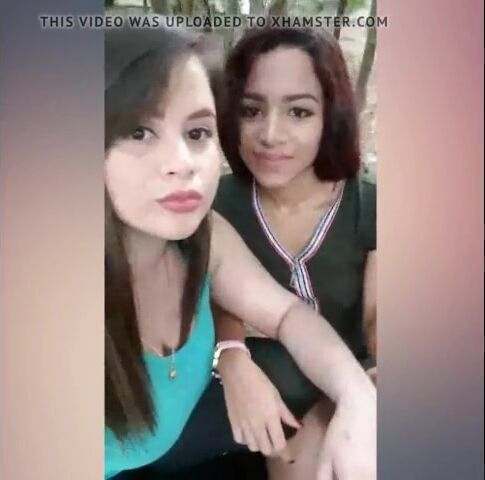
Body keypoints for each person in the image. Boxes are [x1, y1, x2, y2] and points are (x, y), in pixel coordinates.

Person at [104, 26, 376, 480]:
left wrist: (358, 396)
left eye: (197, 132)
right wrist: (231, 354)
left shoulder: (205, 236)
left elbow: (288, 314)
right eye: (139, 132)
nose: (182, 162)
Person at [211, 27, 377, 479]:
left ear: (331, 117)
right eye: (252, 110)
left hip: (357, 379)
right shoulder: (213, 204)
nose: (270, 134)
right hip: (255, 394)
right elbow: (219, 295)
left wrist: (360, 397)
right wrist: (232, 355)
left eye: (299, 112)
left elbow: (377, 319)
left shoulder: (370, 206)